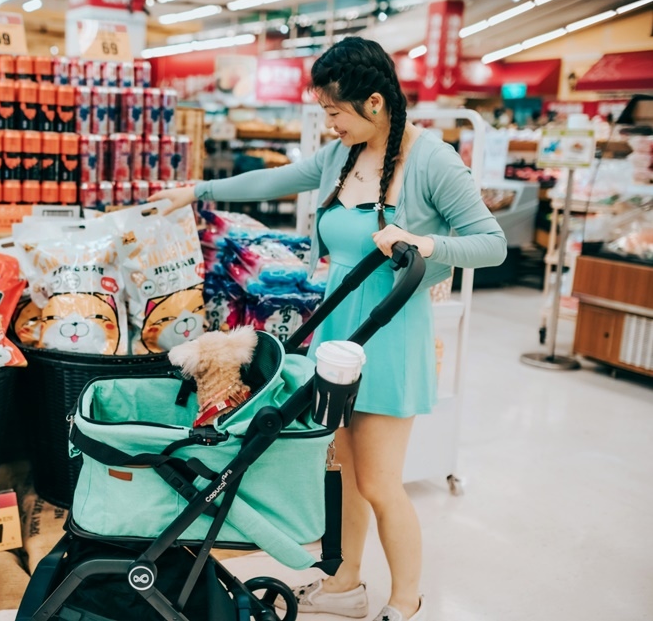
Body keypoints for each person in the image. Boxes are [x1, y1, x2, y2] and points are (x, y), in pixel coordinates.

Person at [151, 36, 507, 621]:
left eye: (333, 111)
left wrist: (423, 243)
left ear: (373, 103)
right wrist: (197, 191)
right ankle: (345, 584)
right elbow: (276, 178)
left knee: (380, 481)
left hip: (390, 332)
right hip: (338, 330)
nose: (328, 123)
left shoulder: (431, 160)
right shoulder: (343, 156)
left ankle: (406, 600)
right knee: (338, 470)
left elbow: (490, 244)